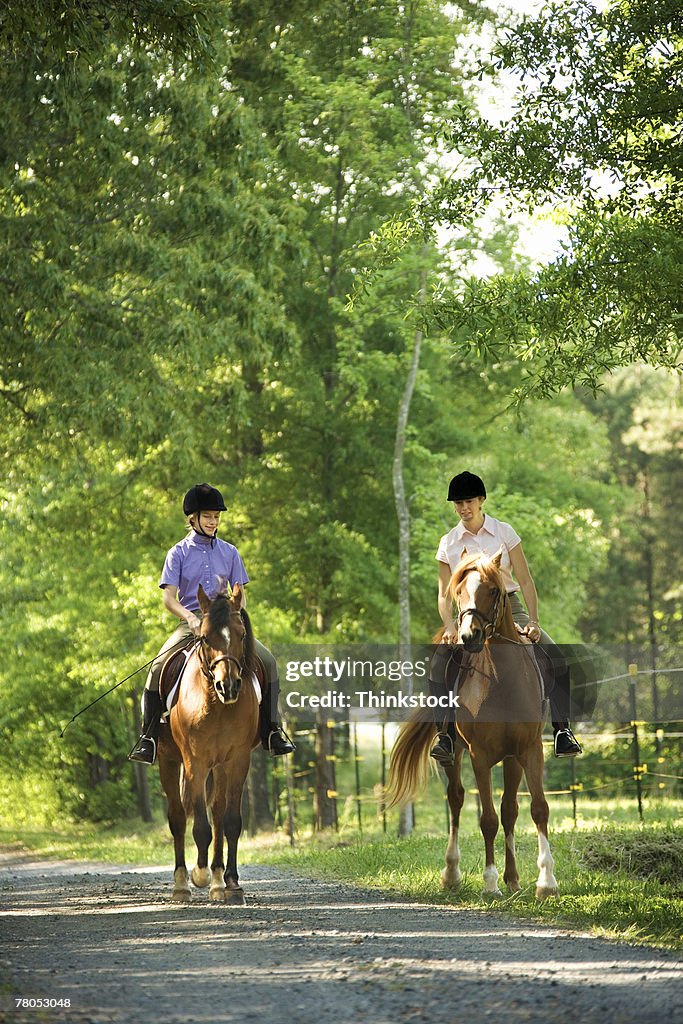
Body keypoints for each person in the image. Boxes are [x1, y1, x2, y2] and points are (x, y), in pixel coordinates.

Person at [129, 483, 295, 764]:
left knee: (268, 662)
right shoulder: (177, 553)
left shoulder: (230, 552)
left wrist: (233, 613)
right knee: (157, 667)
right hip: (192, 622)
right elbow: (169, 599)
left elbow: (240, 594)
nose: (213, 521)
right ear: (192, 519)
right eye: (208, 516)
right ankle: (149, 737)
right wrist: (191, 618)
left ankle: (272, 730)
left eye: (217, 517)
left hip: (226, 624)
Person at [429, 470, 582, 763]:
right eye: (458, 503)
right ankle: (445, 735)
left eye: (469, 501)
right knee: (438, 665)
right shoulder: (448, 543)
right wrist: (449, 625)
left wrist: (534, 622)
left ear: (481, 500)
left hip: (510, 607)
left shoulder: (504, 532)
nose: (464, 508)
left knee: (557, 658)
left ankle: (563, 731)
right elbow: (443, 594)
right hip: (469, 614)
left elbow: (524, 581)